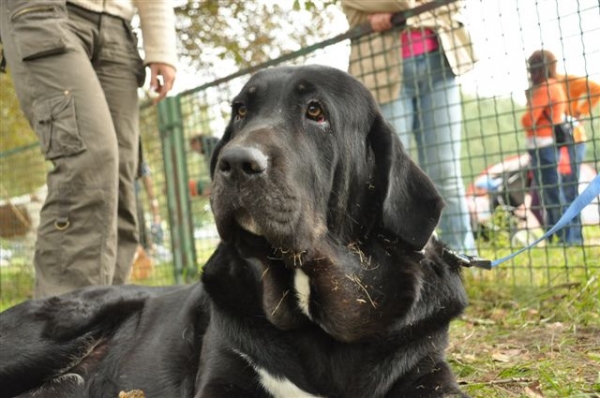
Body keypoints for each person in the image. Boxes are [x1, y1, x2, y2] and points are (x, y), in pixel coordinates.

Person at [0, 0, 177, 298]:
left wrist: (161, 47)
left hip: (117, 29)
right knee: (90, 158)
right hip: (41, 11)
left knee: (120, 175)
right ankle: (63, 328)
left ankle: (108, 324)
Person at [341, 1, 478, 254]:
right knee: (392, 173)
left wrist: (385, 10)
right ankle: (403, 261)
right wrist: (410, 8)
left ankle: (463, 256)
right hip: (380, 68)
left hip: (439, 64)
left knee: (446, 171)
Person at [521, 49, 580, 245]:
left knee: (553, 195)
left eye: (533, 69)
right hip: (545, 146)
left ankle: (565, 240)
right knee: (551, 194)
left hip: (544, 147)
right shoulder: (554, 86)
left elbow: (528, 120)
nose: (531, 74)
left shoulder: (546, 87)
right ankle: (559, 238)